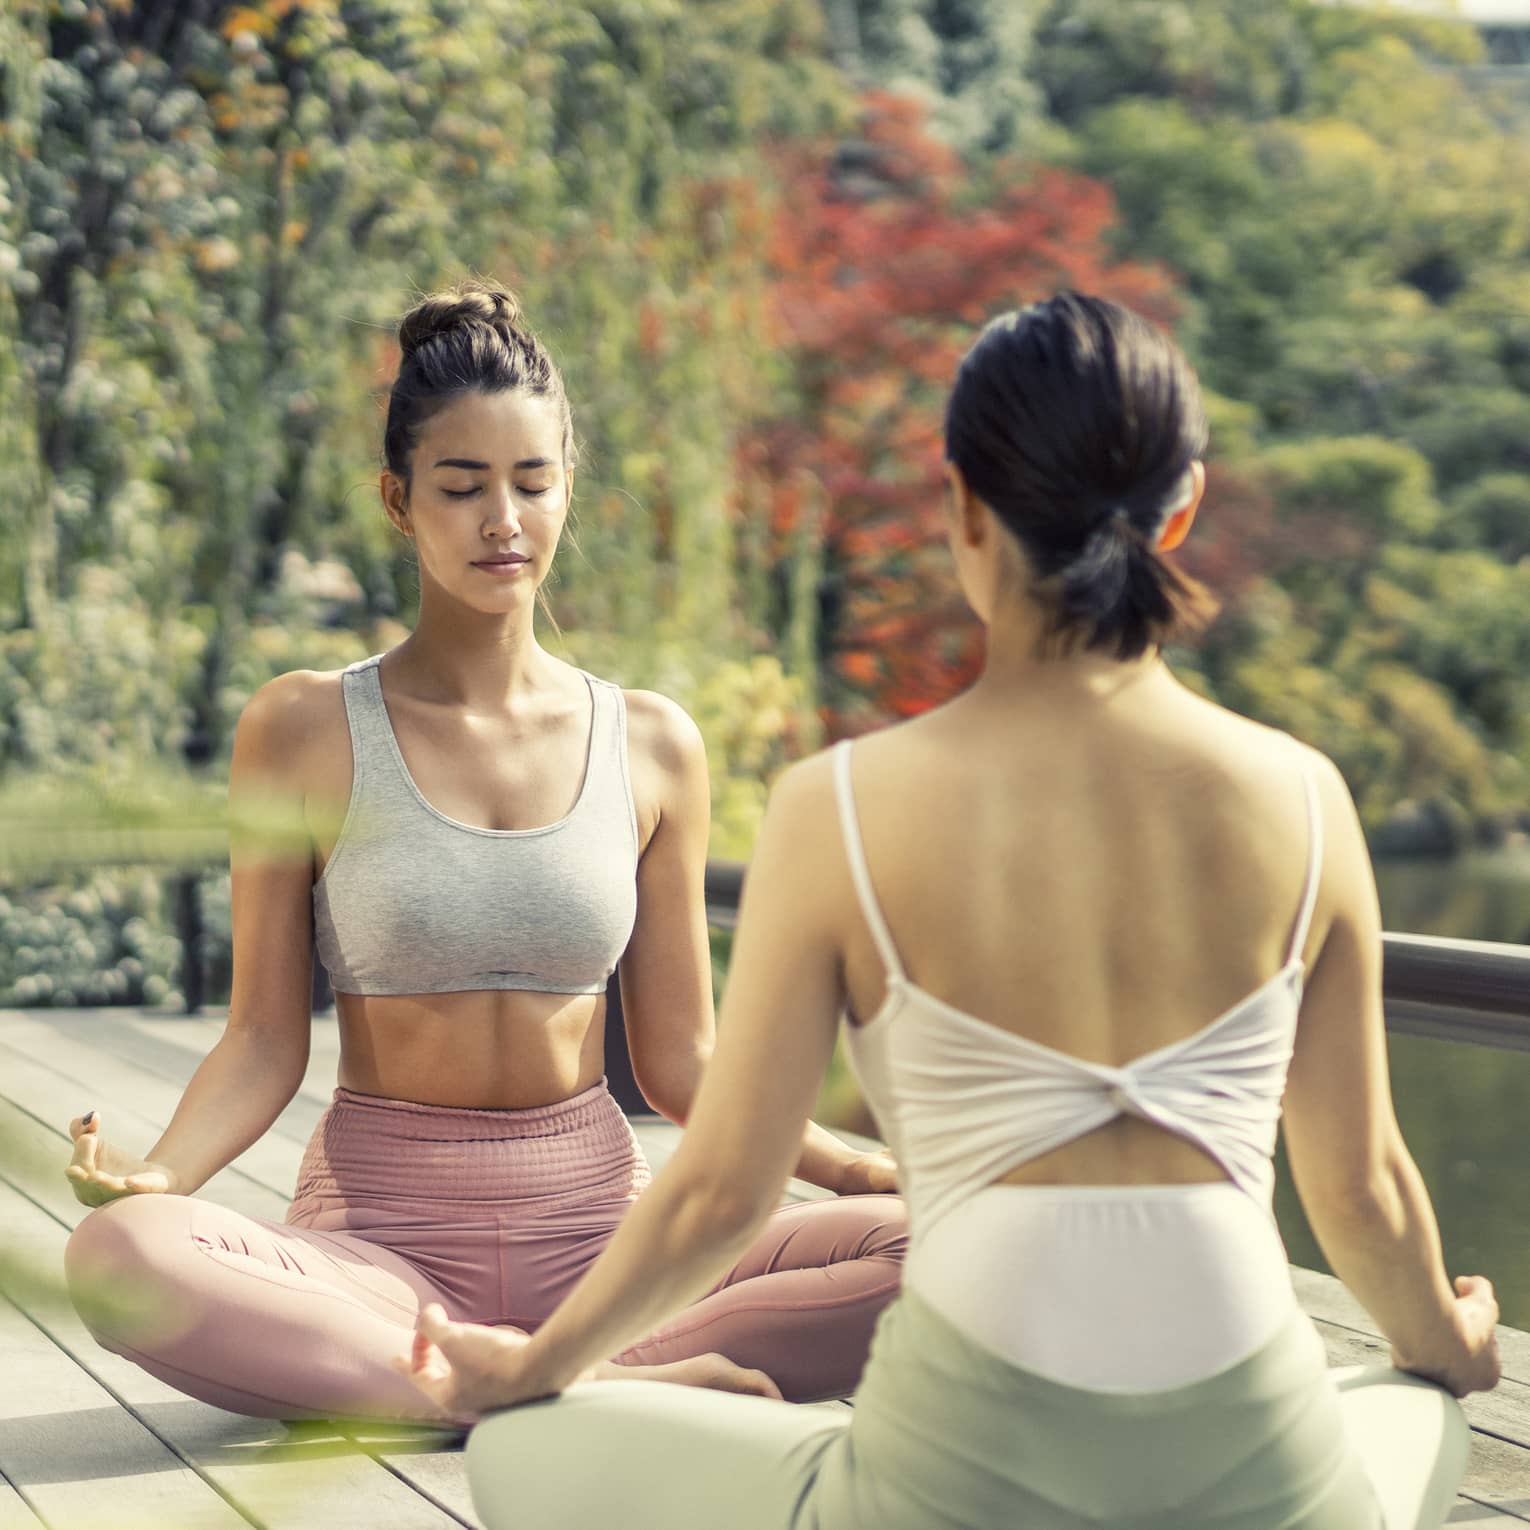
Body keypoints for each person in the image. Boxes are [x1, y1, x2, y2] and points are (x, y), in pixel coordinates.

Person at [399, 293, 1499, 1529]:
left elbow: (720, 1192)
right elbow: (1360, 1189)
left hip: (948, 1483)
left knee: (517, 1454)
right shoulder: (1305, 797)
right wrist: (1449, 1347)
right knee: (1419, 1407)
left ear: (963, 505)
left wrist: (534, 1367)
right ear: (1179, 506)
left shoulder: (842, 807)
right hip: (1258, 1472)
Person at [59, 279, 908, 1422]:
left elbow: (683, 1065)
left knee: (934, 1248)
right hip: (379, 1258)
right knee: (126, 1257)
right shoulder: (302, 728)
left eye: (532, 482)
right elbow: (263, 1038)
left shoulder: (653, 743)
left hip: (611, 1257)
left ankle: (543, 1372)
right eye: (461, 488)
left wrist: (865, 1169)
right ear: (399, 502)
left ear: (567, 492)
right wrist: (157, 1178)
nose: (502, 520)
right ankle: (593, 1392)